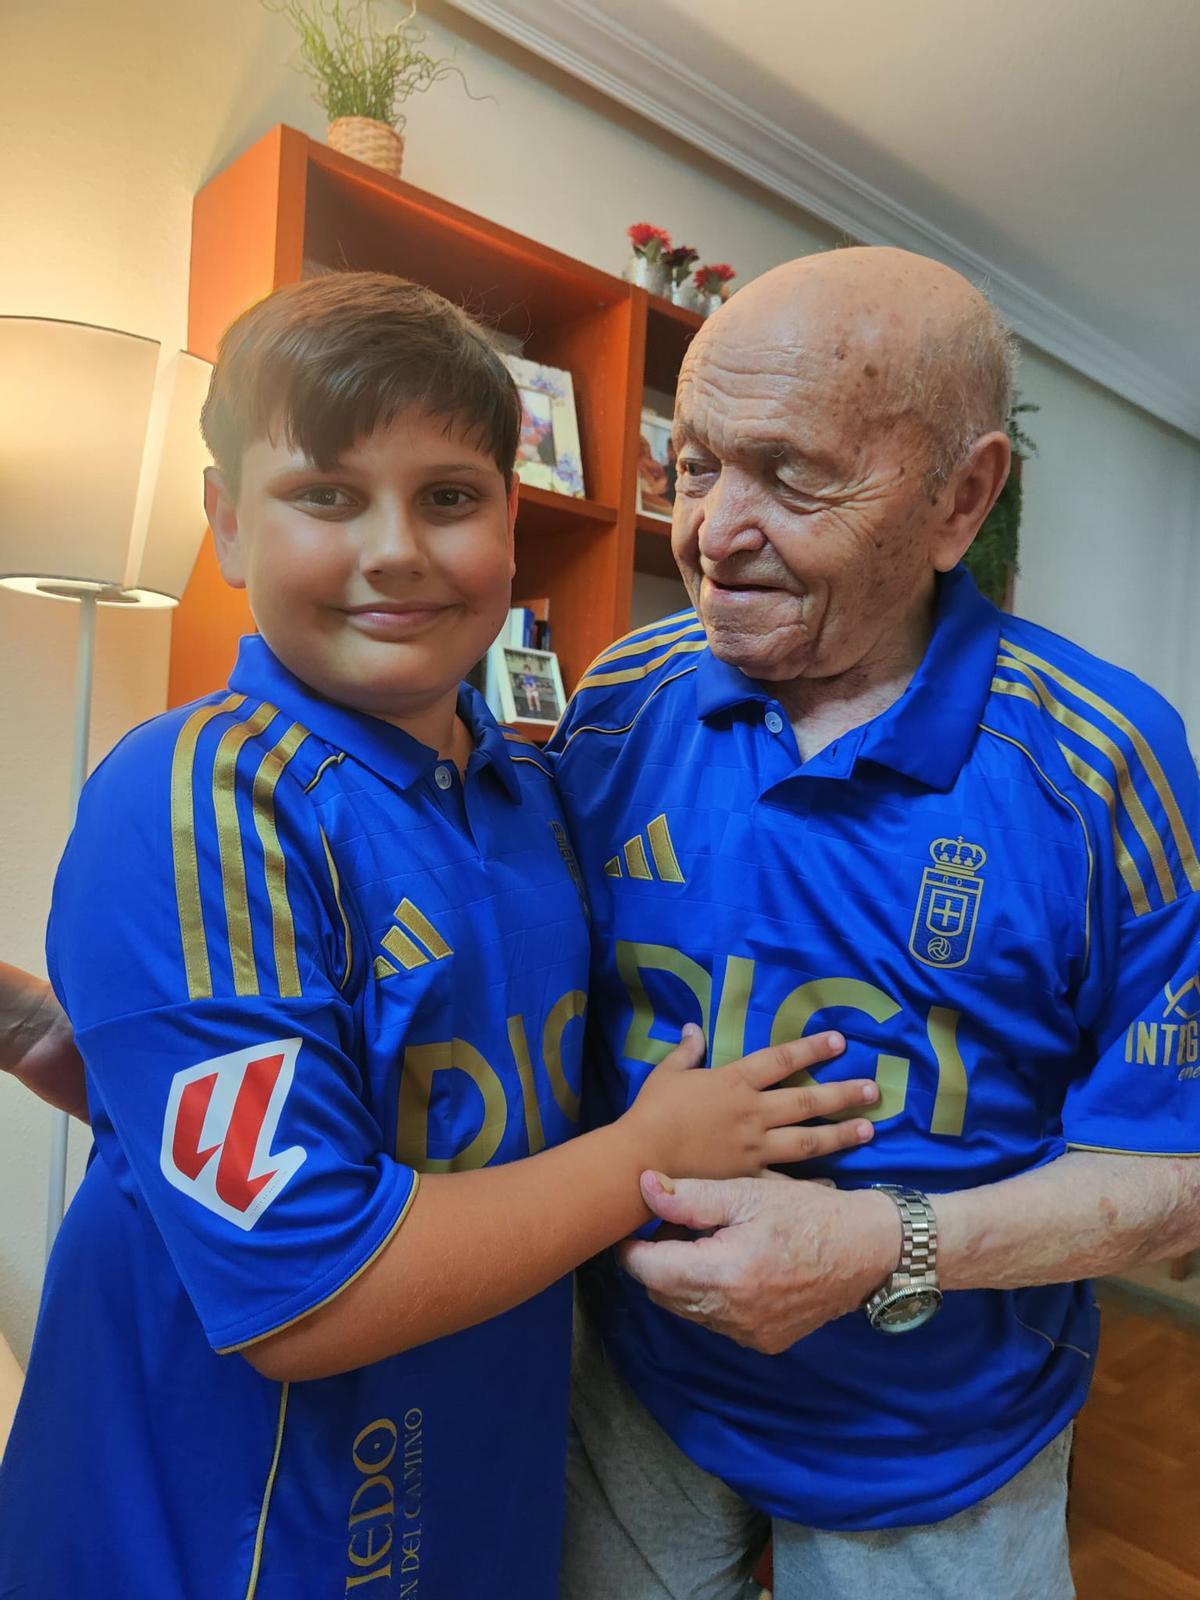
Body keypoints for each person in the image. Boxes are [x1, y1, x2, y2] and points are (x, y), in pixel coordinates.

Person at [0, 272, 876, 1598]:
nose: (397, 548)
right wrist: (648, 1153)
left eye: (450, 498)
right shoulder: (204, 798)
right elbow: (306, 1294)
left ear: (512, 526)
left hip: (480, 1481)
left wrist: (60, 1042)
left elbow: (349, 1103)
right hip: (235, 1528)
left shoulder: (530, 790)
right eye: (329, 495)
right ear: (229, 523)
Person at [549, 247, 1200, 1599]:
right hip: (636, 1397)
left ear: (963, 499)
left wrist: (884, 1247)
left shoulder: (1106, 765)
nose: (713, 534)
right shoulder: (624, 698)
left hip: (941, 1459)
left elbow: (1179, 1175)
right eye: (698, 462)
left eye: (793, 478)